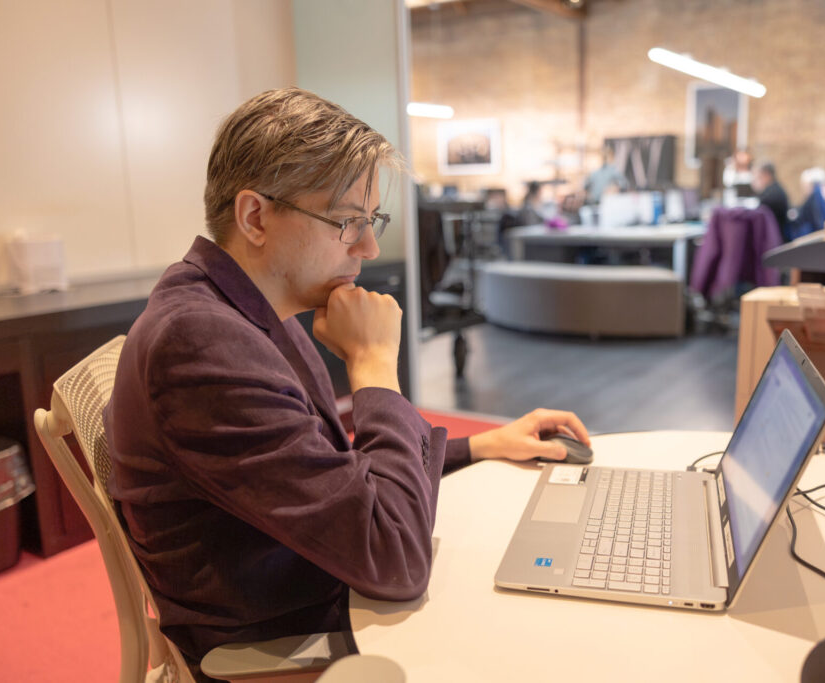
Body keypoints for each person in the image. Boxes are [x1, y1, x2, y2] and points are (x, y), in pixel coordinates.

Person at [104, 88, 590, 679]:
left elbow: (323, 470)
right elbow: (395, 557)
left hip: (316, 575)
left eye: (371, 221)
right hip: (286, 638)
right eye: (347, 223)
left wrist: (478, 446)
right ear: (255, 216)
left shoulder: (240, 309)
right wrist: (375, 365)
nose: (369, 247)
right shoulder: (200, 345)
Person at [753, 162, 791, 242]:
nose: (755, 181)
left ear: (766, 175)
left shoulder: (772, 194)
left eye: (758, 177)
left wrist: (758, 189)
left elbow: (757, 210)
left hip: (777, 242)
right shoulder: (775, 189)